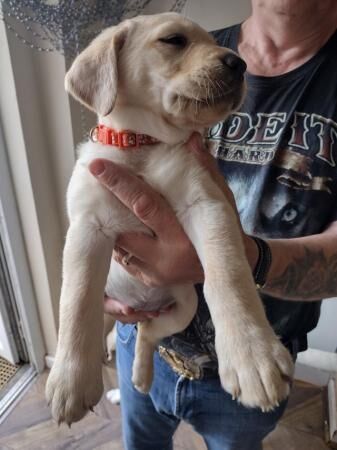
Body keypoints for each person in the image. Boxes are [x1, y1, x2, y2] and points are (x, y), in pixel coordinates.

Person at [89, 1, 337, 449]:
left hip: (251, 354)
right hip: (140, 333)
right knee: (139, 442)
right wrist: (106, 277)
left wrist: (244, 265)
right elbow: (110, 172)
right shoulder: (190, 46)